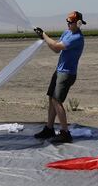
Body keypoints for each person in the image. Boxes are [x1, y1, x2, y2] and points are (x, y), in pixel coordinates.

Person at [33, 11, 86, 144]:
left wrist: (44, 35)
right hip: (59, 71)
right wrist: (44, 38)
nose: (68, 24)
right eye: (67, 21)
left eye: (71, 22)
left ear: (78, 23)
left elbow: (57, 46)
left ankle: (65, 133)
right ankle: (49, 129)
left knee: (57, 101)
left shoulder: (77, 38)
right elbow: (56, 49)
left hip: (67, 74)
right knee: (51, 98)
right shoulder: (67, 33)